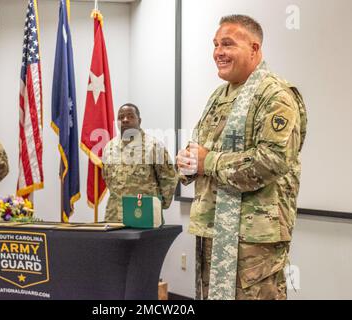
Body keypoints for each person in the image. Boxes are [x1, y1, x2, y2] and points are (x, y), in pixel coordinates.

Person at [176, 15, 307, 300]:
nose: (218, 52)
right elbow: (200, 146)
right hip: (213, 230)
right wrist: (187, 163)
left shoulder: (275, 95)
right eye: (215, 45)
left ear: (254, 48)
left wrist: (207, 162)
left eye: (228, 44)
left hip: (253, 241)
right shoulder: (219, 95)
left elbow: (271, 161)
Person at [102, 103, 178, 222]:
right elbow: (107, 178)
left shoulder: (153, 146)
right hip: (115, 216)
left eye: (130, 116)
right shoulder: (109, 148)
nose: (125, 120)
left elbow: (169, 178)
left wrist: (158, 205)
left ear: (139, 120)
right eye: (121, 117)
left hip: (145, 214)